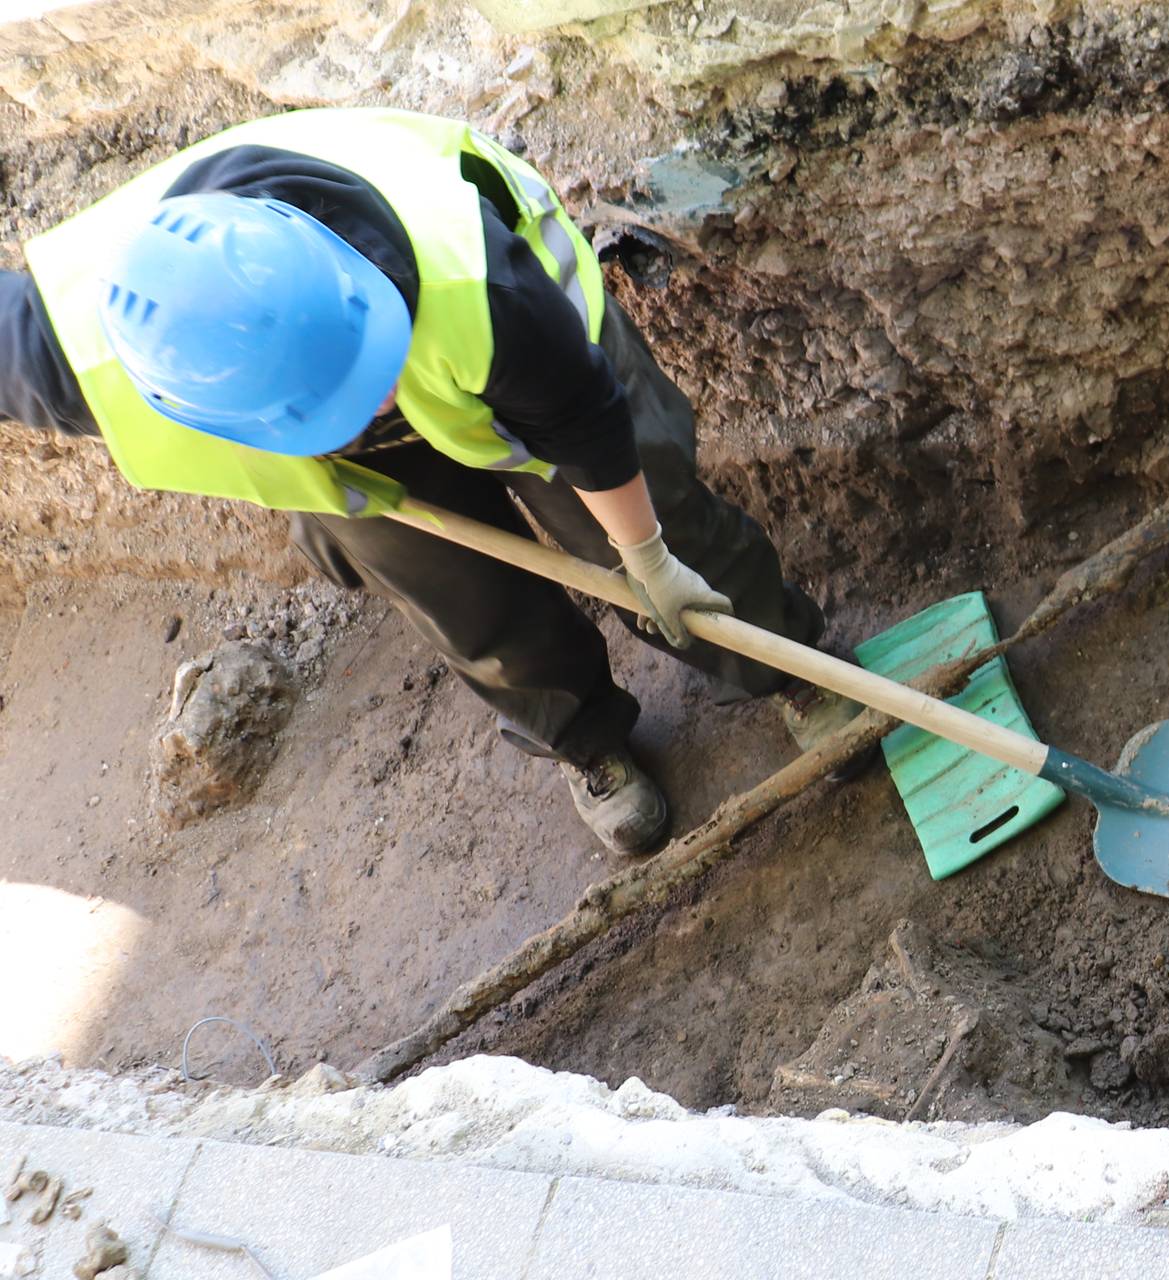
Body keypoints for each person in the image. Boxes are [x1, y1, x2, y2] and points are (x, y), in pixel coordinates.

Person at [0, 107, 850, 856]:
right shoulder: (75, 361)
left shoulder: (475, 277)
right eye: (340, 400)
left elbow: (587, 423)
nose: (370, 398)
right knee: (470, 607)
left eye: (364, 374)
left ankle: (794, 667)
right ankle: (584, 739)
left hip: (516, 367)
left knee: (658, 525)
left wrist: (647, 559)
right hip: (343, 463)